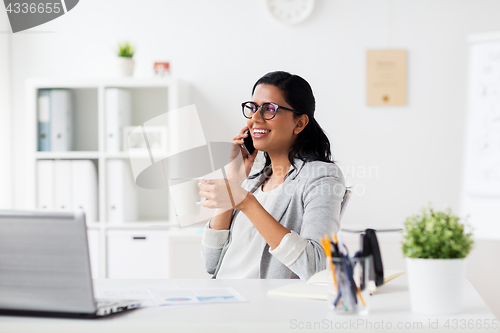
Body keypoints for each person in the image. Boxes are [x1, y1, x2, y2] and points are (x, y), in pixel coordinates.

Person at [199, 71, 346, 281]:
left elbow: (315, 266)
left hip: (264, 308)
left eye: (269, 109)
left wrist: (246, 202)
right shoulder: (252, 181)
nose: (255, 119)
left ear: (299, 123)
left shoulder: (321, 176)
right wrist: (233, 181)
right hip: (224, 299)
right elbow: (211, 264)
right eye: (252, 108)